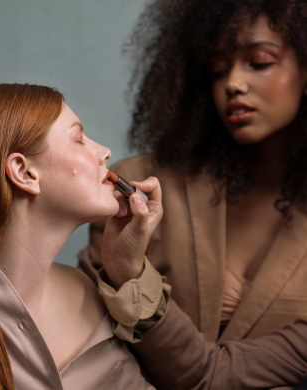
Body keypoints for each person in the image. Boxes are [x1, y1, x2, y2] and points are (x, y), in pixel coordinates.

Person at [79, 0, 307, 388]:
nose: (232, 83)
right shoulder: (136, 190)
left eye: (259, 62)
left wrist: (133, 278)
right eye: (218, 70)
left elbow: (210, 375)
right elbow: (92, 348)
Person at [0, 83, 162, 390]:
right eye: (79, 139)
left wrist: (126, 266)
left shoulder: (86, 291)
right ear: (25, 174)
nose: (105, 153)